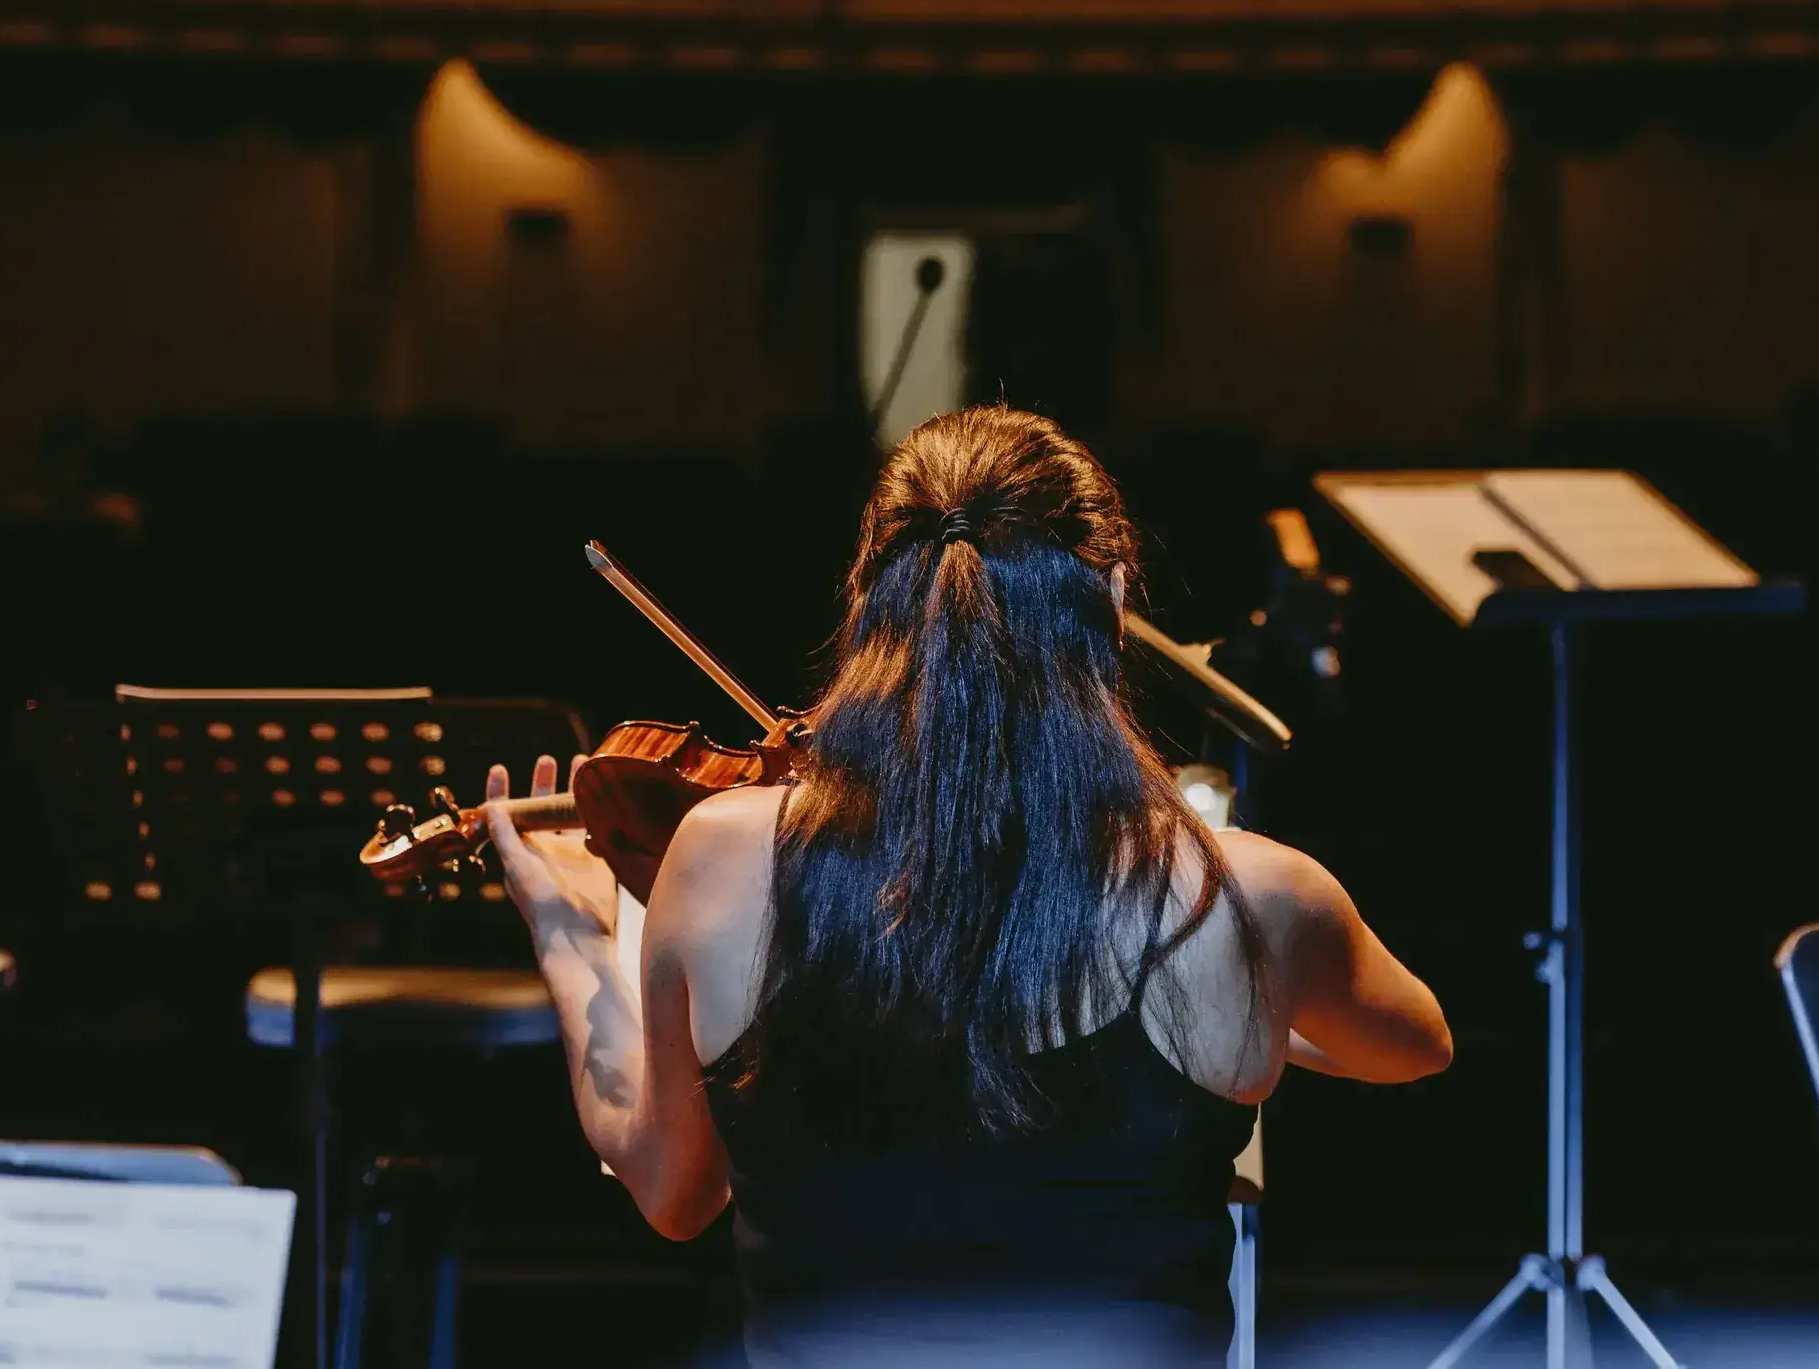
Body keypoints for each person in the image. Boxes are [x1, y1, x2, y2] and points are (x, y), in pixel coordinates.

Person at [483, 406, 1451, 1367]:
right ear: (1114, 598)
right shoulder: (1248, 898)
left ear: (866, 598)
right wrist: (1245, 1003)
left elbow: (670, 1191)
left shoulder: (715, 859)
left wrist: (574, 933)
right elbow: (1413, 1045)